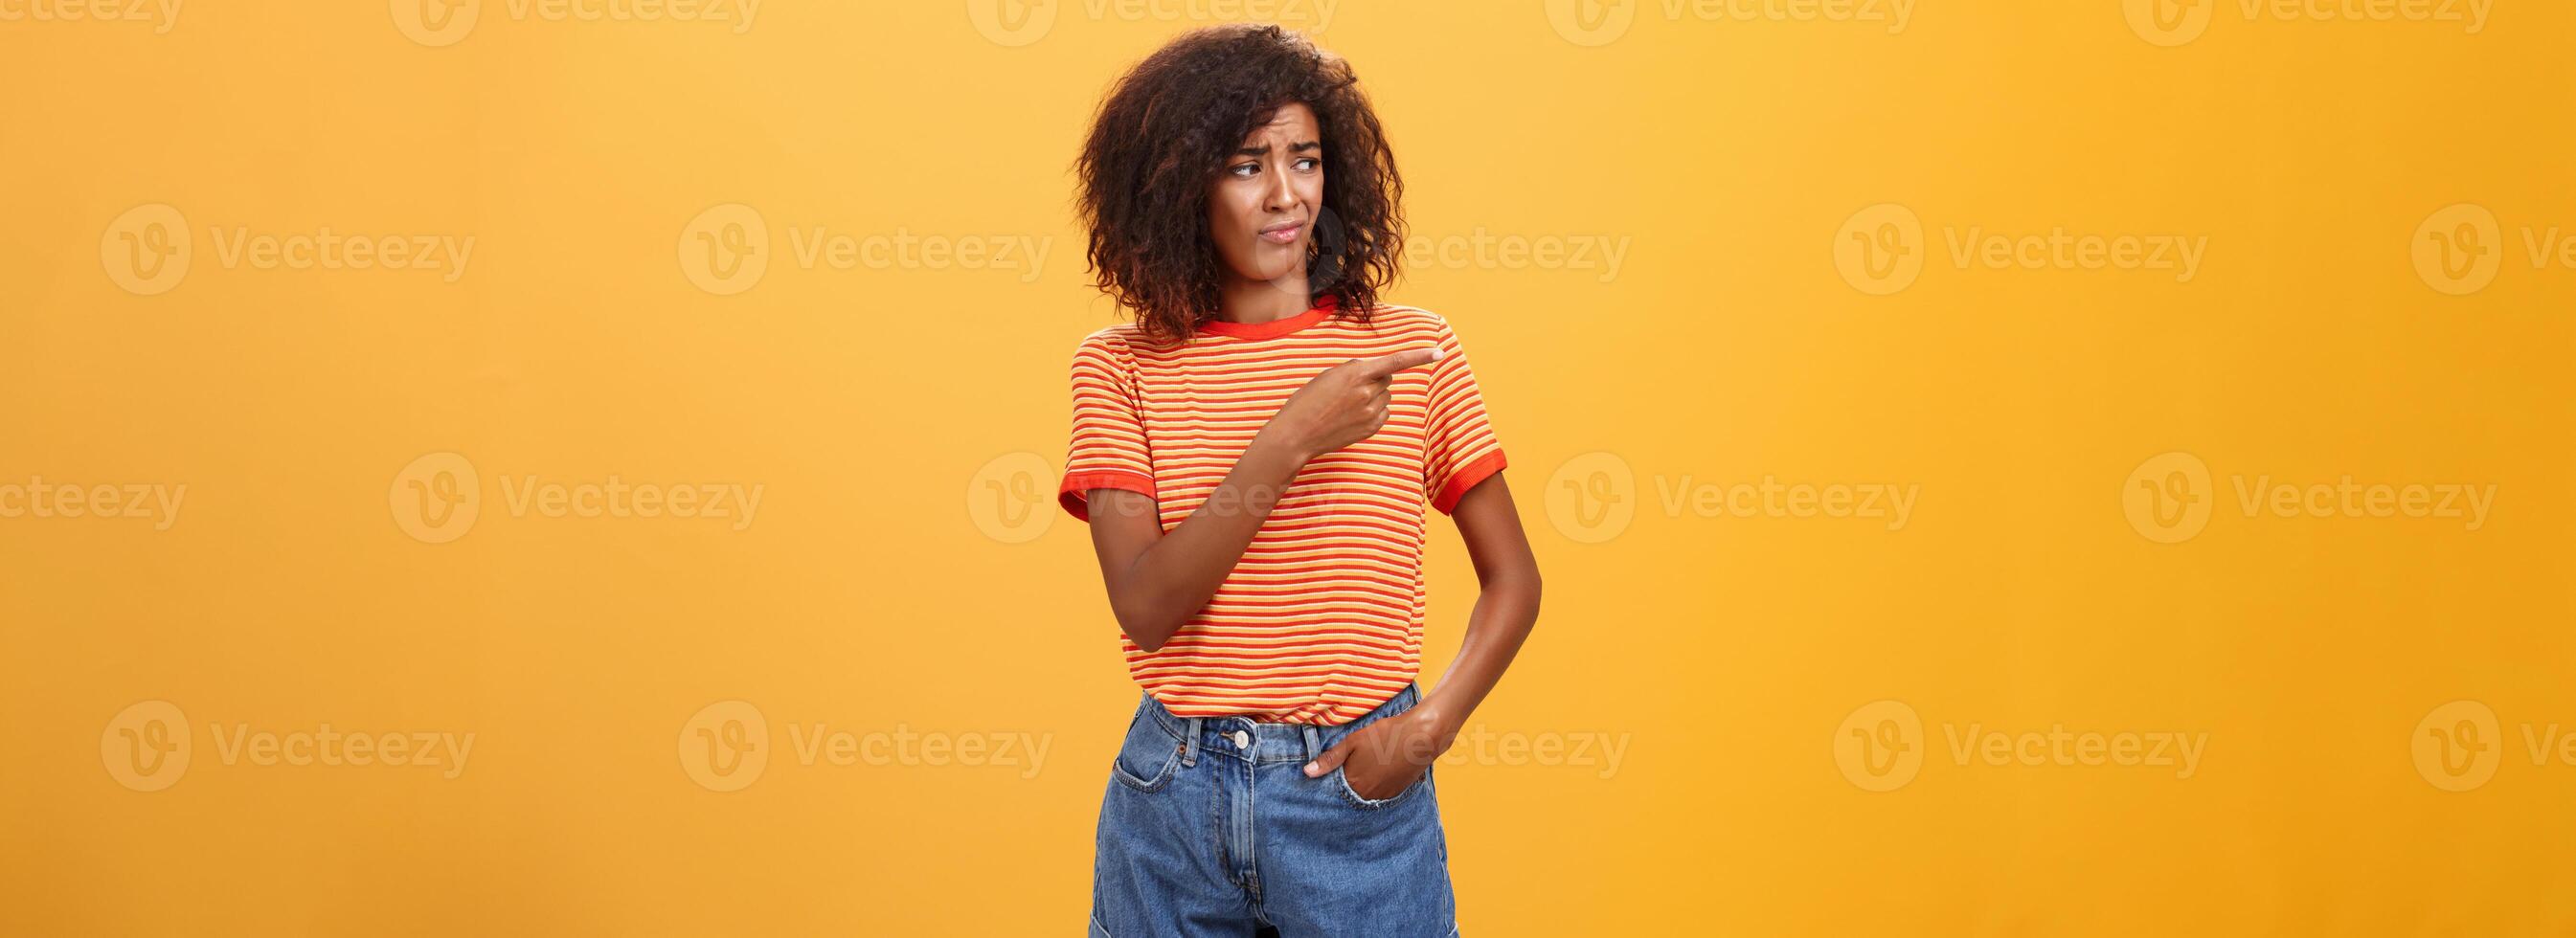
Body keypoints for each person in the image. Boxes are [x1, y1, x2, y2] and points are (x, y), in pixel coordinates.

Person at [1062, 24, 1543, 938]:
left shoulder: (1411, 353)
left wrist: (1425, 731)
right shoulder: (1118, 368)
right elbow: (1147, 607)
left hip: (1355, 794)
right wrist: (1292, 436)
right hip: (1173, 798)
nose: (1286, 196)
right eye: (1246, 167)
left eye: (1306, 160)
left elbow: (1514, 580)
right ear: (1177, 186)